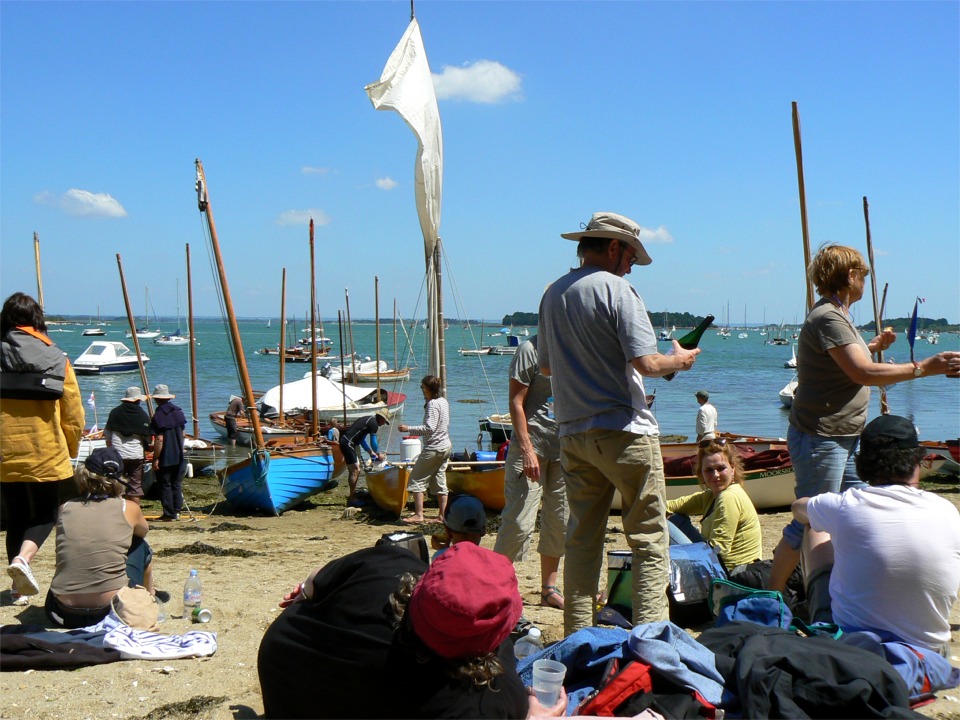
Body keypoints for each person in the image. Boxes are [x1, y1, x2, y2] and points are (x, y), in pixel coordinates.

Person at [537, 211, 700, 634]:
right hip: (625, 431)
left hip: (573, 431)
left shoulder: (552, 293)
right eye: (630, 255)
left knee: (582, 539)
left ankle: (576, 636)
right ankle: (651, 641)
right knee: (648, 540)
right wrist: (678, 361)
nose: (631, 264)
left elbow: (549, 370)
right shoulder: (619, 289)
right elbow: (648, 364)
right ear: (613, 247)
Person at [768, 244, 960, 591]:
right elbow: (862, 373)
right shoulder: (829, 316)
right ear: (850, 276)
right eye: (863, 274)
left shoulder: (839, 316)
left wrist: (871, 346)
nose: (866, 281)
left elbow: (845, 359)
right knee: (810, 522)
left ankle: (842, 590)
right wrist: (925, 368)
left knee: (864, 510)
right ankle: (774, 596)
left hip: (843, 436)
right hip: (822, 437)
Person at [257, 542, 530, 719]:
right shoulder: (485, 700)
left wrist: (304, 594)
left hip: (284, 672)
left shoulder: (388, 563)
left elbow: (312, 582)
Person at [792, 414, 960, 656]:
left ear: (862, 464)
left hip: (858, 650)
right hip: (930, 653)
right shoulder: (946, 510)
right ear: (916, 461)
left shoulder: (845, 505)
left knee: (813, 527)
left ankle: (815, 613)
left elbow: (798, 508)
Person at [0, 292, 85, 606]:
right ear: (37, 321)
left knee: (17, 516)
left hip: (4, 454)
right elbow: (73, 413)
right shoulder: (57, 358)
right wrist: (71, 446)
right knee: (47, 514)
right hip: (45, 451)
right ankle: (23, 560)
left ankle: (17, 589)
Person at [44, 447, 162, 628]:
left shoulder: (65, 507)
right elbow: (142, 531)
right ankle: (150, 595)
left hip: (61, 611)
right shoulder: (128, 507)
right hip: (111, 609)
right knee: (140, 545)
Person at [493, 335, 569, 610]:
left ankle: (549, 589)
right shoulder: (529, 350)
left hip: (564, 451)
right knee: (518, 523)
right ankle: (494, 585)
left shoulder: (571, 349)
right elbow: (516, 401)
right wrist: (526, 449)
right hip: (531, 448)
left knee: (559, 522)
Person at [666, 439, 762, 572]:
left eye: (721, 468)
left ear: (732, 468)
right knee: (676, 519)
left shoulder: (729, 497)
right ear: (701, 473)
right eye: (709, 470)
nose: (715, 475)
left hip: (728, 572)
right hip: (716, 562)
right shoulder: (711, 496)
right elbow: (673, 505)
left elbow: (718, 549)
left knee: (664, 524)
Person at [398, 375, 451, 523]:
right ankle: (442, 516)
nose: (422, 390)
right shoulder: (443, 401)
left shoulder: (433, 404)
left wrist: (408, 429)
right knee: (439, 480)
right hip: (445, 445)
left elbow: (429, 428)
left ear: (427, 389)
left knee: (416, 479)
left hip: (434, 447)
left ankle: (419, 514)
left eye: (422, 388)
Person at [104, 387, 152, 505]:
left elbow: (108, 435)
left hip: (118, 454)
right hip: (136, 454)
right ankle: (135, 512)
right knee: (135, 486)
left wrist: (110, 451)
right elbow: (148, 439)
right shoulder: (143, 415)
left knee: (118, 484)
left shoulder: (115, 412)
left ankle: (118, 511)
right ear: (138, 400)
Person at [149, 384, 186, 522]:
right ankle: (177, 511)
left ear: (157, 399)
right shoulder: (178, 412)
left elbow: (159, 439)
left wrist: (156, 458)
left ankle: (169, 514)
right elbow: (182, 433)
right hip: (179, 453)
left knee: (165, 484)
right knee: (176, 484)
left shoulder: (158, 415)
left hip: (166, 455)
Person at [340, 411, 389, 507]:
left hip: (347, 442)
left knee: (355, 470)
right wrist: (379, 454)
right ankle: (352, 499)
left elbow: (361, 439)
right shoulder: (374, 424)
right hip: (348, 444)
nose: (383, 424)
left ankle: (352, 495)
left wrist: (370, 452)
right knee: (355, 470)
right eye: (384, 422)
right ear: (381, 418)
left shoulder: (368, 419)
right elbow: (373, 441)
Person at [431, 493, 486, 561]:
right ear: (484, 530)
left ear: (448, 532)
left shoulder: (440, 559)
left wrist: (442, 551)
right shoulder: (495, 560)